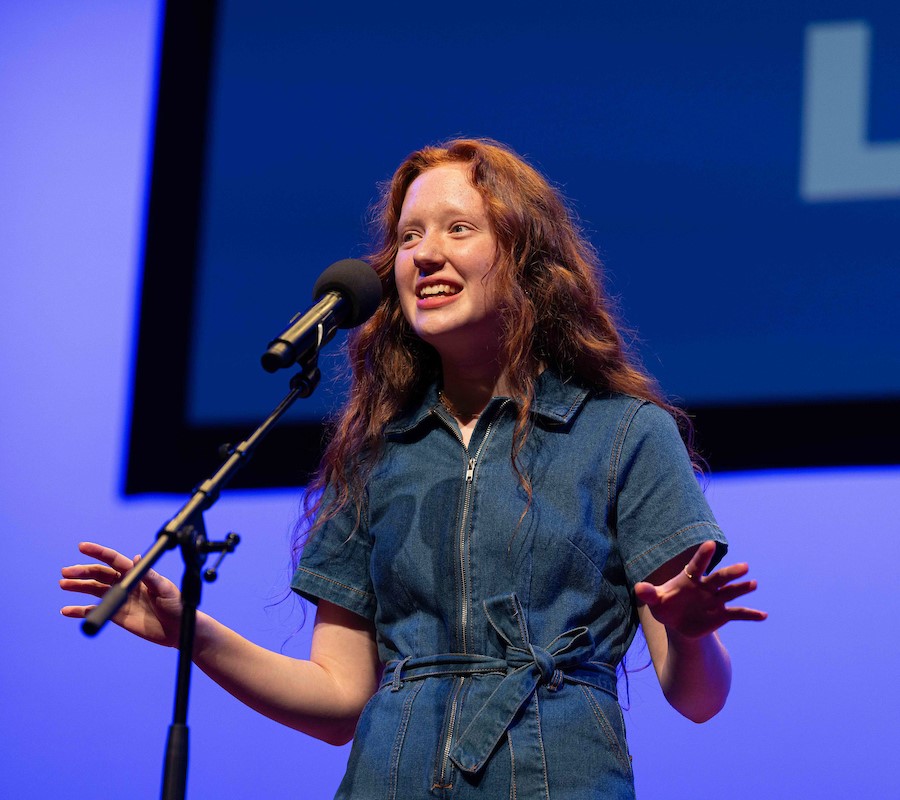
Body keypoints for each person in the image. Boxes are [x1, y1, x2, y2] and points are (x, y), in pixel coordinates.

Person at [61, 137, 766, 798]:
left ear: (525, 258)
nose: (424, 255)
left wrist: (694, 634)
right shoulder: (374, 451)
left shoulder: (621, 434)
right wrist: (195, 632)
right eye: (408, 236)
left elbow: (698, 698)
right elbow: (339, 699)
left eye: (458, 229)